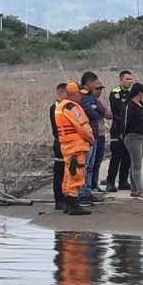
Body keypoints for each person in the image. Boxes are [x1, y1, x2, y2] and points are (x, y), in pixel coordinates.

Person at [54, 82, 94, 215]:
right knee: (76, 172)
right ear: (75, 94)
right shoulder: (72, 107)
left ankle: (67, 201)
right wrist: (91, 139)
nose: (81, 97)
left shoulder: (60, 106)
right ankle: (73, 203)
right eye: (80, 94)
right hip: (76, 144)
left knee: (68, 172)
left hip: (66, 144)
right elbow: (82, 126)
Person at [78, 72, 105, 207]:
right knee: (85, 165)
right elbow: (91, 113)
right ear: (88, 83)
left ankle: (88, 191)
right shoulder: (83, 97)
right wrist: (96, 110)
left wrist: (97, 109)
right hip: (86, 136)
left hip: (94, 136)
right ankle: (82, 193)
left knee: (91, 166)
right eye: (95, 84)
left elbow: (102, 109)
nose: (96, 87)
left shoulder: (90, 96)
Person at [123, 82, 143, 200]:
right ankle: (141, 190)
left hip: (142, 136)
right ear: (140, 92)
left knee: (135, 163)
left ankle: (134, 189)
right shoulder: (129, 105)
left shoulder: (140, 105)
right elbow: (125, 122)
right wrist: (123, 134)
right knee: (136, 165)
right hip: (133, 137)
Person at [107, 70, 133, 192]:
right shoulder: (115, 93)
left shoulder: (131, 93)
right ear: (121, 80)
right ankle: (110, 182)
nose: (130, 81)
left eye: (131, 79)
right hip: (118, 128)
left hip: (129, 129)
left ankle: (123, 181)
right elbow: (119, 111)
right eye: (127, 79)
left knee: (127, 157)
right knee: (116, 156)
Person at [90, 80, 112, 193]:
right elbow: (92, 114)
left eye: (100, 89)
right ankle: (88, 186)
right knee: (90, 163)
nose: (99, 91)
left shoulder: (101, 101)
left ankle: (94, 184)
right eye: (97, 88)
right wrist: (100, 111)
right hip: (91, 135)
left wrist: (98, 109)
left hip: (101, 134)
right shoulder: (86, 101)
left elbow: (109, 114)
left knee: (98, 161)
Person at [49, 83, 68, 211]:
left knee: (68, 171)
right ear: (60, 94)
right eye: (67, 94)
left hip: (68, 143)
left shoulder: (67, 106)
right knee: (60, 171)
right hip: (60, 142)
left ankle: (67, 197)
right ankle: (59, 199)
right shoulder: (56, 107)